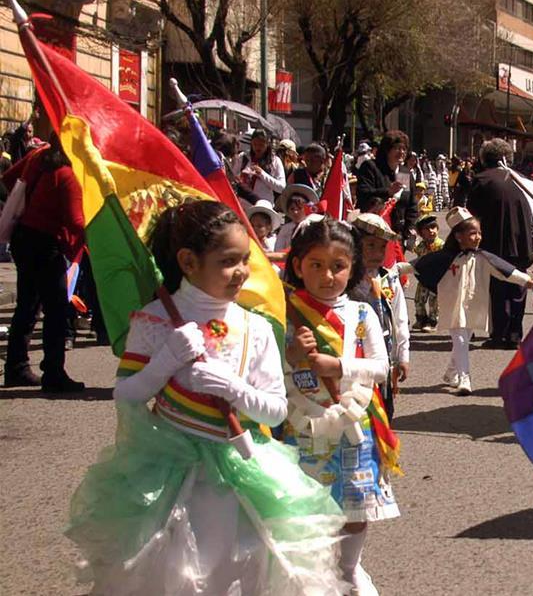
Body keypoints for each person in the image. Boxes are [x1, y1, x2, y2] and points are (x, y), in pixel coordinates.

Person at [66, 201, 344, 594]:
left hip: (244, 467)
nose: (242, 272)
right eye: (228, 261)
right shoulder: (156, 318)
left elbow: (275, 408)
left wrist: (230, 387)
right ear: (188, 261)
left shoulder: (256, 328)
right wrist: (165, 360)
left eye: (245, 259)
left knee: (244, 572)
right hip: (168, 469)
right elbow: (126, 394)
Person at [281, 217, 401, 595]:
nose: (328, 275)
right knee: (308, 508)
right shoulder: (285, 313)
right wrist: (293, 352)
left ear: (352, 269)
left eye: (338, 266)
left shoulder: (361, 314)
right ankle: (314, 576)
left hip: (354, 425)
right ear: (298, 265)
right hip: (300, 427)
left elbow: (382, 367)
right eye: (316, 265)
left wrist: (340, 367)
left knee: (353, 507)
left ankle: (349, 568)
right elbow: (266, 369)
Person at [412, 207, 533, 395]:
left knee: (464, 338)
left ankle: (450, 372)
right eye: (472, 233)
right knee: (461, 337)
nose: (478, 237)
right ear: (459, 236)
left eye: (479, 233)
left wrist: (529, 282)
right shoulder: (445, 257)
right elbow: (417, 265)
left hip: (473, 304)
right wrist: (392, 270)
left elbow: (507, 272)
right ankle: (464, 378)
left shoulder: (484, 258)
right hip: (453, 305)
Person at [3, 136, 85, 392]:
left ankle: (16, 367)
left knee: (27, 305)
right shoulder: (67, 175)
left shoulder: (38, 157)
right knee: (57, 309)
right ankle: (53, 372)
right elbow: (76, 222)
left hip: (23, 237)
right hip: (45, 244)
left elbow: (8, 179)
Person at [466, 138, 533, 348]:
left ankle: (499, 334)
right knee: (517, 288)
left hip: (494, 241)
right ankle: (514, 335)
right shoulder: (519, 179)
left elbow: (472, 215)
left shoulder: (481, 180)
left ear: (484, 158)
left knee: (497, 289)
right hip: (521, 240)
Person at [348, 213, 411, 422]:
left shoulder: (388, 278)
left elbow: (400, 318)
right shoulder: (346, 281)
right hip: (355, 358)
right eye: (370, 246)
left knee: (384, 415)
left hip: (384, 358)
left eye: (382, 248)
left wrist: (403, 355)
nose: (377, 253)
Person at [356, 131, 418, 246]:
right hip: (373, 232)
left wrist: (411, 227)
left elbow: (411, 203)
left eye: (404, 149)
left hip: (397, 234)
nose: (401, 152)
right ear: (386, 150)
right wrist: (387, 191)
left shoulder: (405, 173)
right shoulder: (371, 167)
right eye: (397, 148)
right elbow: (363, 193)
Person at [231, 129, 286, 206]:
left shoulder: (275, 161)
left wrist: (262, 174)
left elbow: (281, 188)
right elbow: (232, 179)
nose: (258, 148)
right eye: (255, 144)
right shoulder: (243, 157)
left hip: (264, 205)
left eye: (261, 145)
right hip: (243, 205)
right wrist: (241, 176)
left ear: (267, 144)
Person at [411, 213, 443, 331]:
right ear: (421, 233)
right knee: (419, 299)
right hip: (423, 278)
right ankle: (421, 318)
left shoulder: (441, 245)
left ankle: (432, 321)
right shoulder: (421, 246)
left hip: (436, 278)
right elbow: (416, 252)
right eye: (427, 229)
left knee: (434, 301)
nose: (431, 231)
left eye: (433, 227)